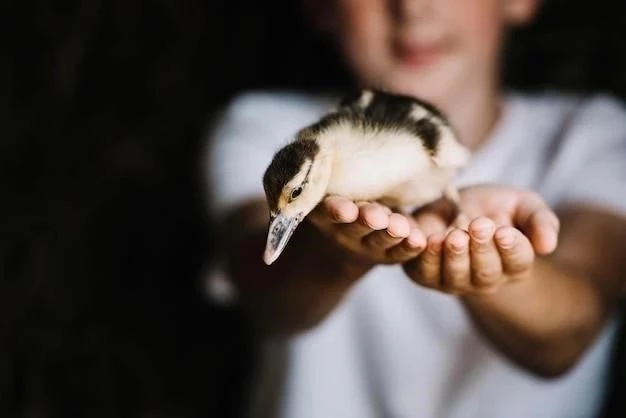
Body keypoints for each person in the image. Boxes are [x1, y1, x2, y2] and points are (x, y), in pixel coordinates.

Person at [206, 1, 626, 417]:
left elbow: (569, 333)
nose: (412, 9)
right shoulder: (262, 129)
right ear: (321, 9)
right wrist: (333, 249)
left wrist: (483, 256)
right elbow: (264, 300)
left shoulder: (596, 139)